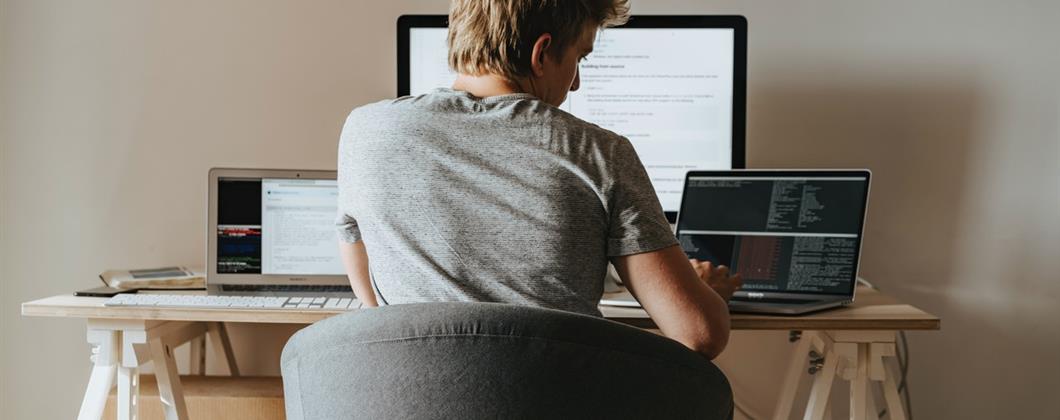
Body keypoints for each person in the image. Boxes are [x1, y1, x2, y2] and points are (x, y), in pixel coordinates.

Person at [334, 0, 742, 359]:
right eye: (580, 58)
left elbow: (372, 297)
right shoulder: (598, 151)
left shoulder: (365, 131)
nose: (577, 82)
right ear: (542, 53)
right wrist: (708, 295)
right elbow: (697, 335)